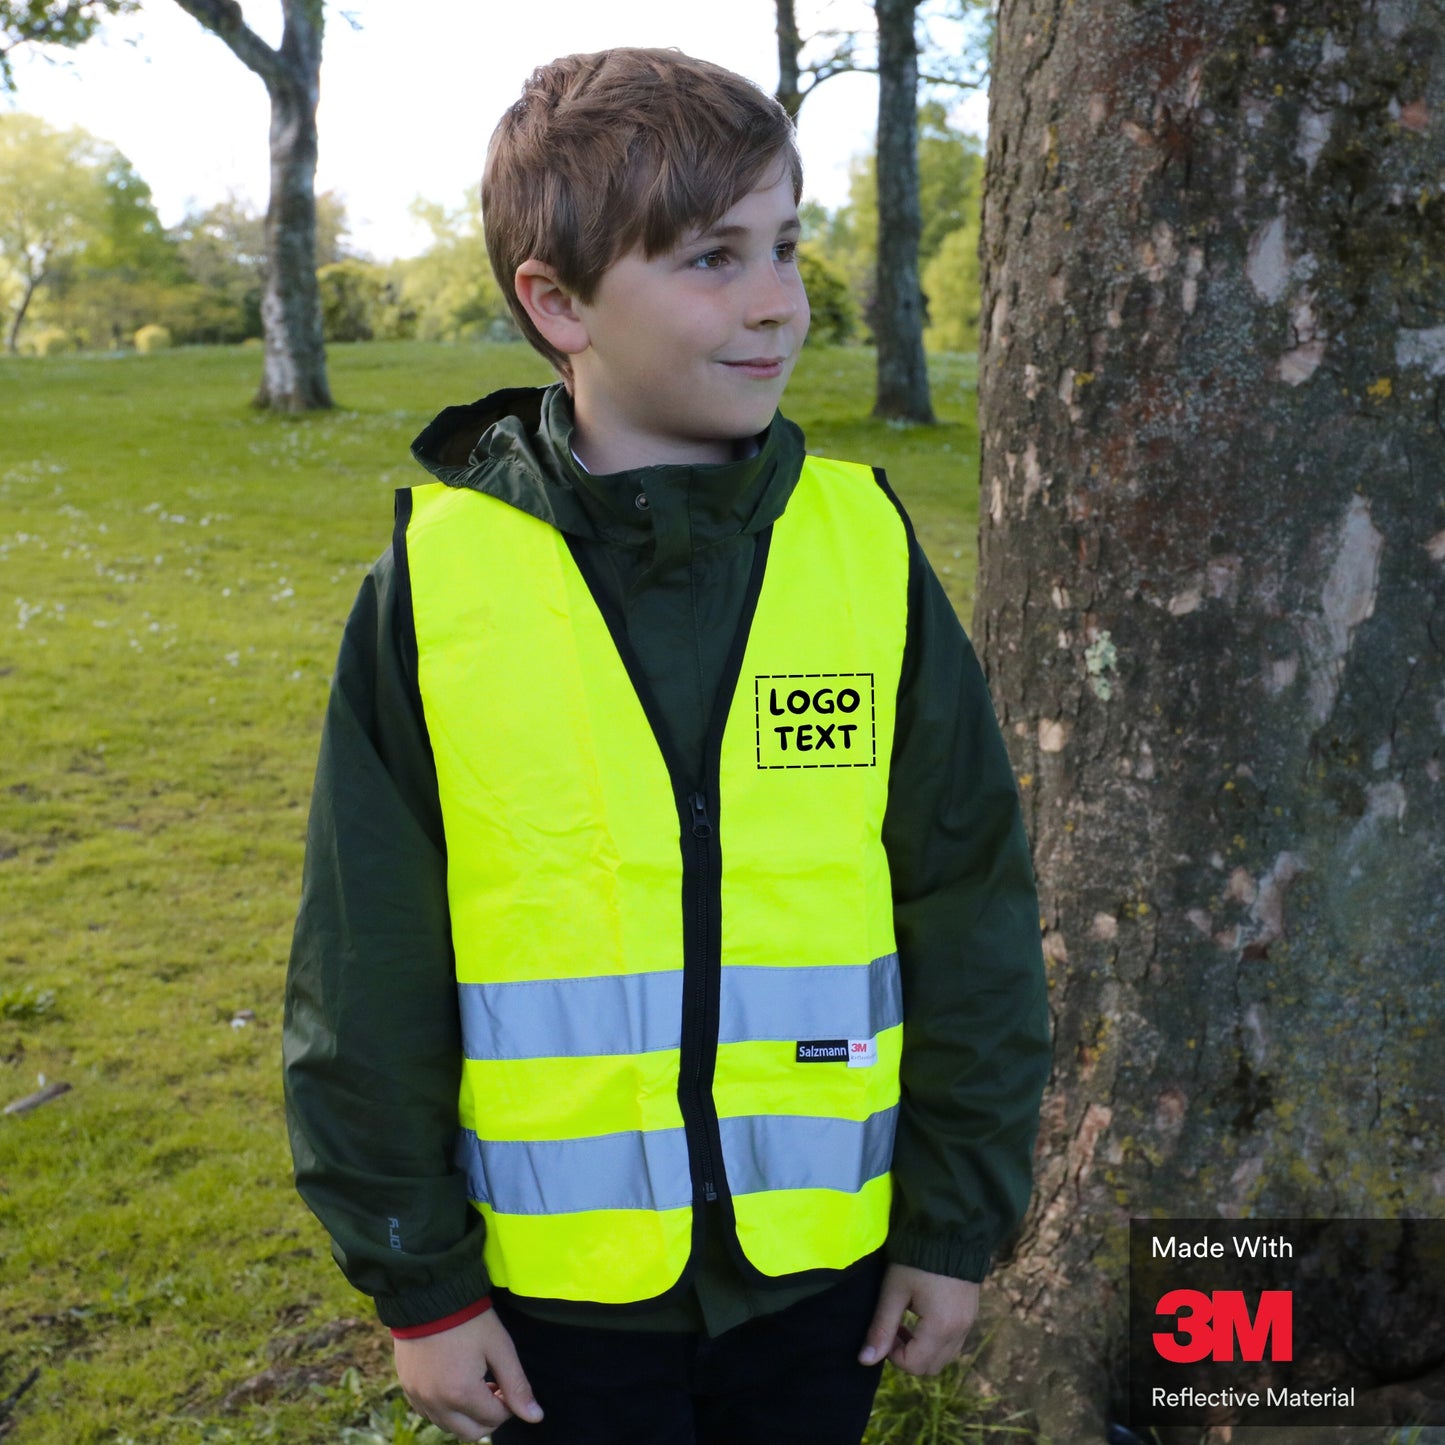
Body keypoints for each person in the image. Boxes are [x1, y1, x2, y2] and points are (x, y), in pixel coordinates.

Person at [283, 45, 1050, 1445]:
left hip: (824, 1280)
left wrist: (952, 1222)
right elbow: (362, 962)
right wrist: (421, 1285)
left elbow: (969, 907)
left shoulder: (865, 552)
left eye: (785, 247)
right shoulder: (439, 589)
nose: (776, 301)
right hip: (557, 1310)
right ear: (556, 302)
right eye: (711, 258)